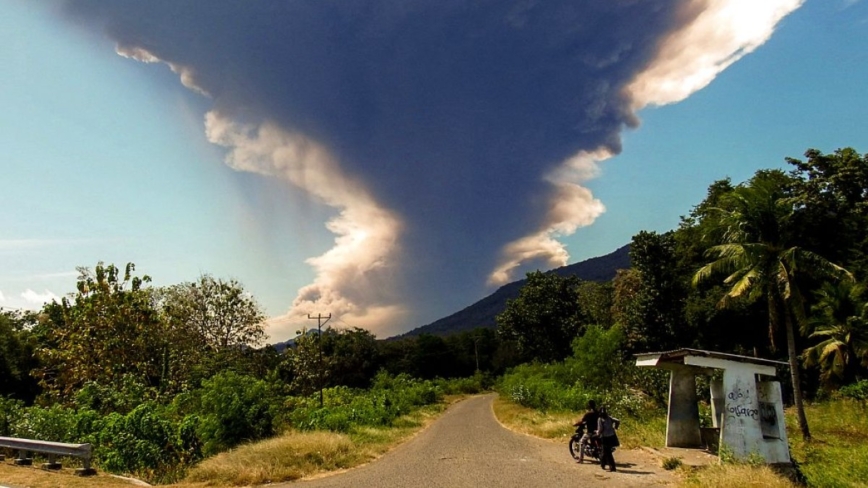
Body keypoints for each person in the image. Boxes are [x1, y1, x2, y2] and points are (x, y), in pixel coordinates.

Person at [596, 406, 620, 472]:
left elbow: (600, 429)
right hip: (612, 436)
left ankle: (612, 467)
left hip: (605, 437)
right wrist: (615, 427)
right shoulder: (609, 418)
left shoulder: (600, 419)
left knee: (608, 453)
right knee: (604, 450)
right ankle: (602, 464)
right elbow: (618, 421)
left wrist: (597, 433)